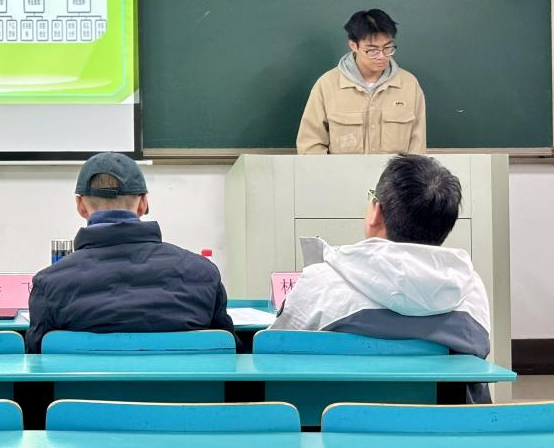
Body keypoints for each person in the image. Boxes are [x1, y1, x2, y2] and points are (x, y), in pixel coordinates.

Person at [270, 154, 492, 402]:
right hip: (447, 423)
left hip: (336, 420)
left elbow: (274, 354)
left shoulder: (321, 282)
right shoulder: (471, 288)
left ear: (376, 212)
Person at [25, 152, 236, 353]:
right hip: (182, 381)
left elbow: (34, 358)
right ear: (143, 203)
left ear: (80, 206)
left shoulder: (50, 285)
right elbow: (229, 350)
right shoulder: (203, 274)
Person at [297, 8, 425, 154]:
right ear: (353, 45)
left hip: (395, 170)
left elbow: (417, 147)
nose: (382, 56)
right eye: (372, 50)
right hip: (343, 169)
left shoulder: (409, 85)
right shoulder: (327, 85)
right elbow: (310, 145)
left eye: (388, 48)